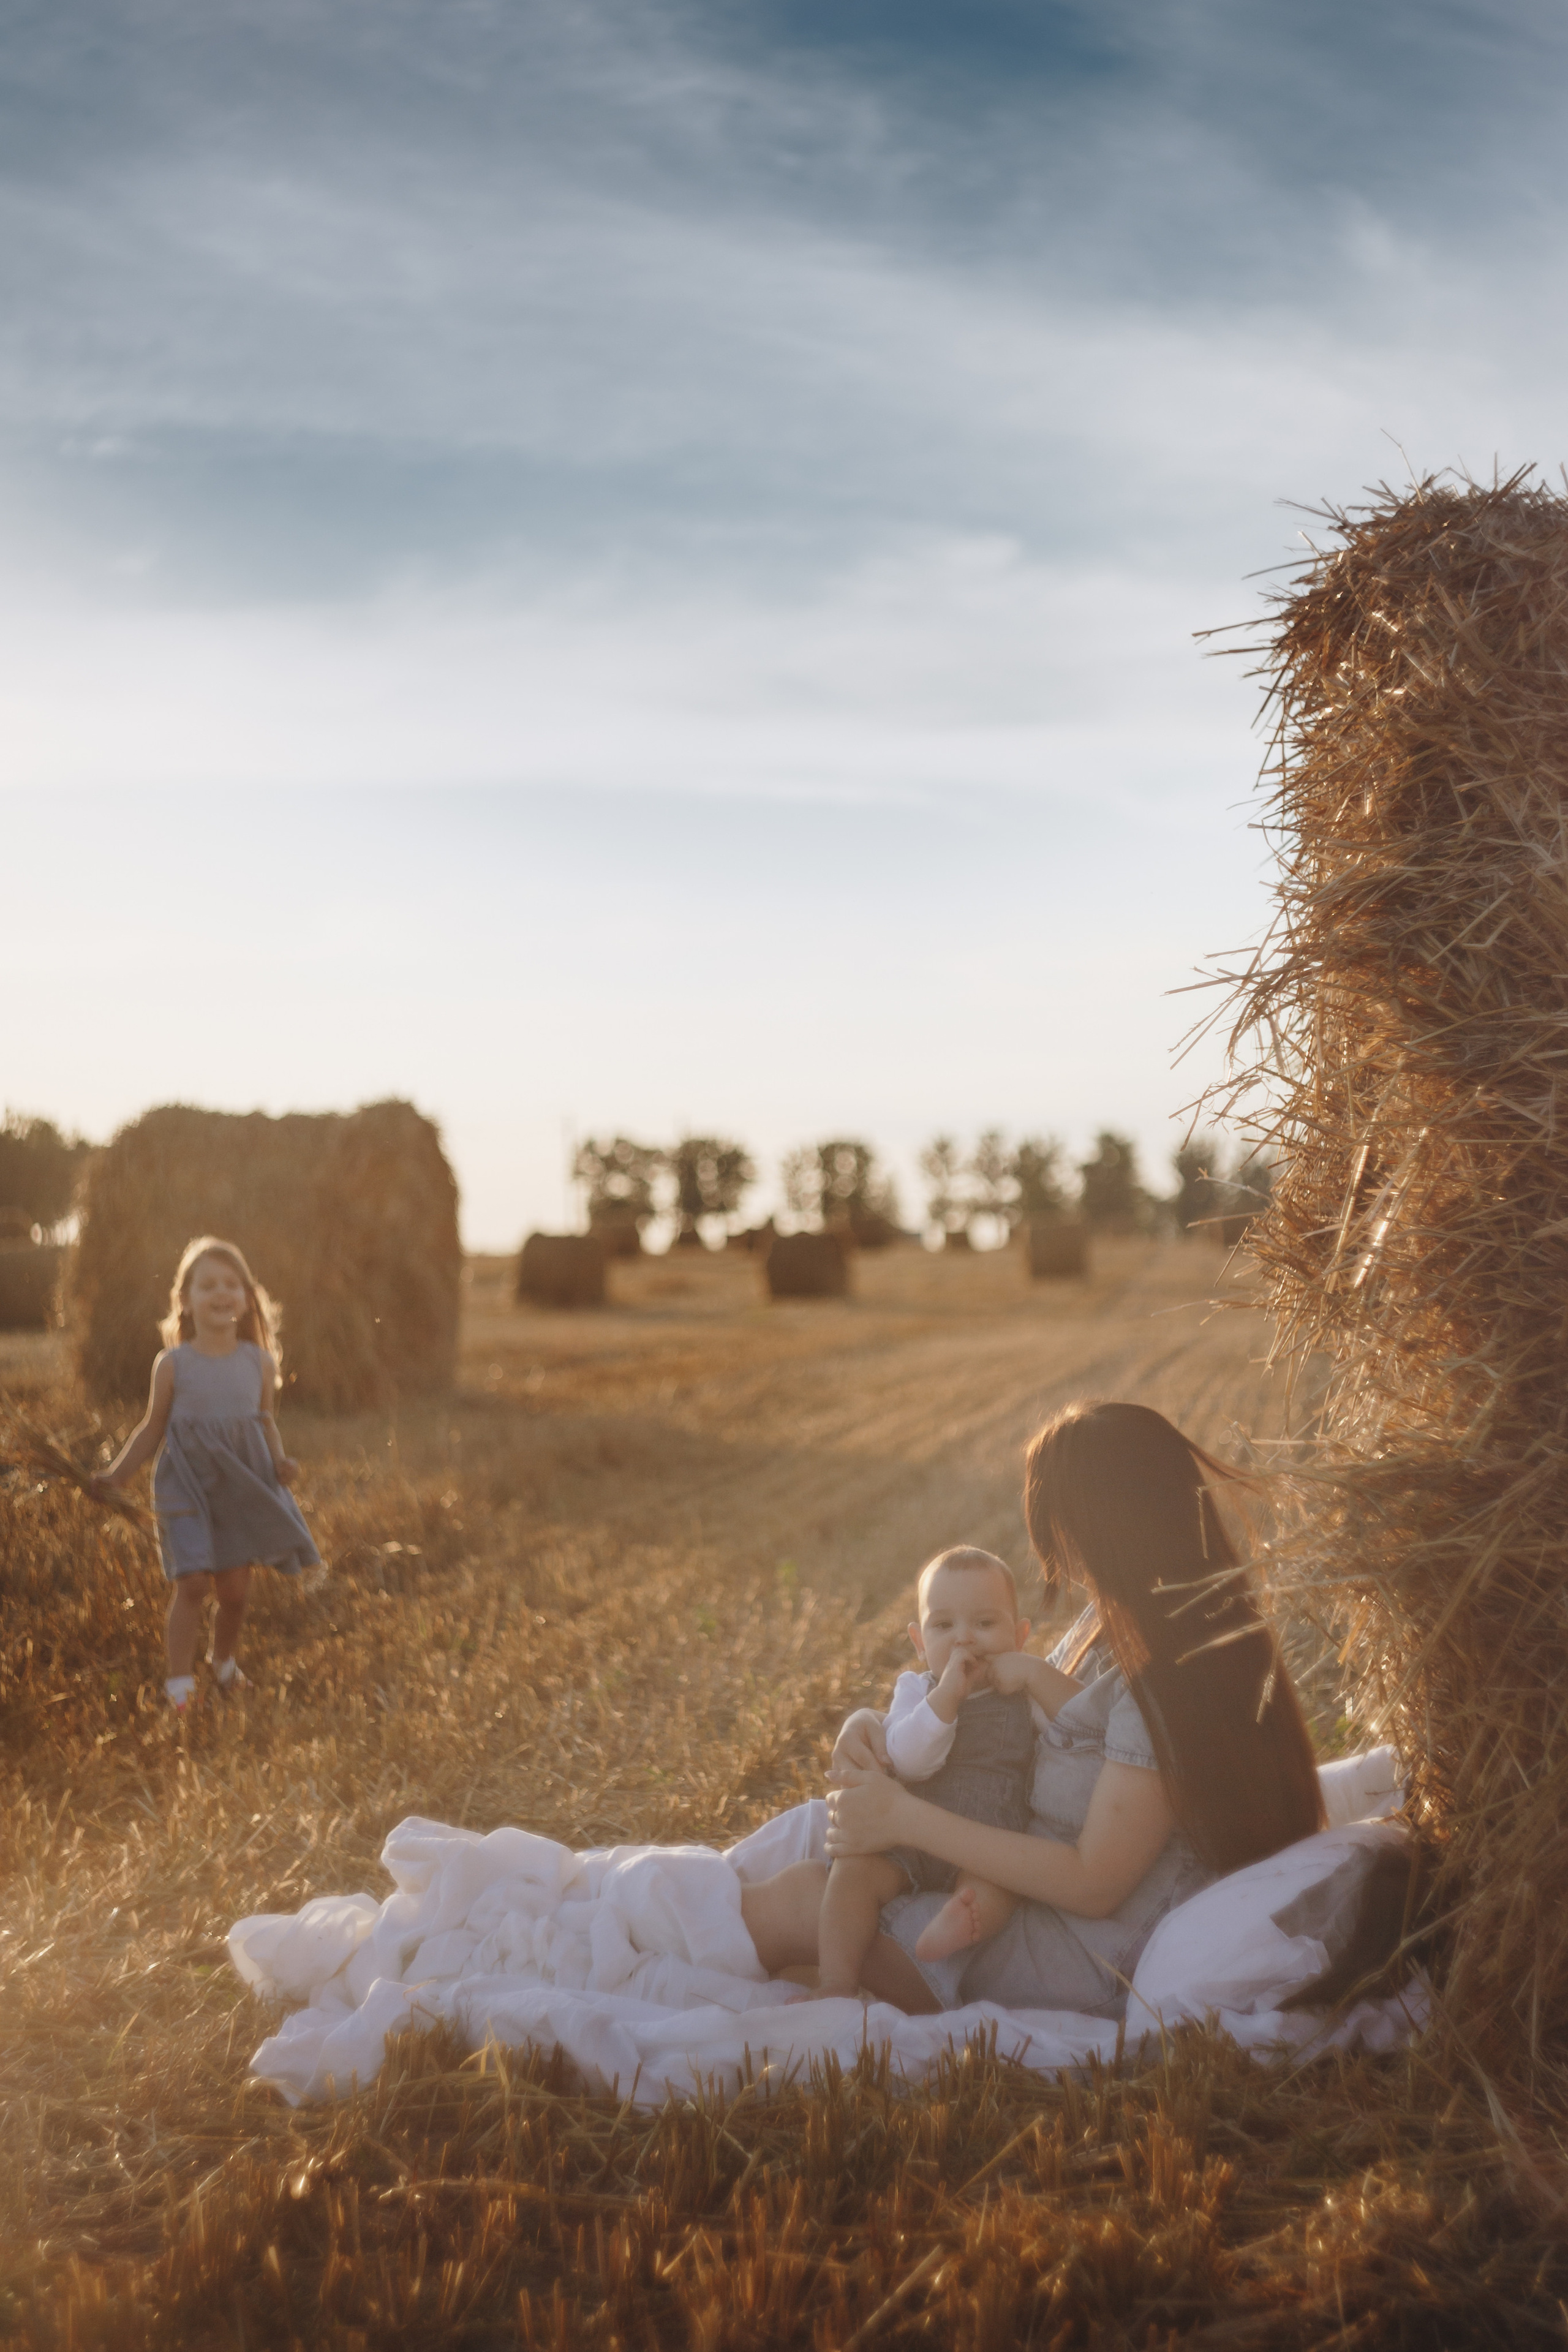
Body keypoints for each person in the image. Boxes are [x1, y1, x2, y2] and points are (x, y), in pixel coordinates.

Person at [741, 1400, 1325, 2015]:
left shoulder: (1175, 1680)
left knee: (803, 1898)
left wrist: (903, 1820)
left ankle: (691, 1963)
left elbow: (1094, 1883)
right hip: (1018, 1885)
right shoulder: (1128, 1621)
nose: (1058, 1556)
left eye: (1059, 1531)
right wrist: (866, 1725)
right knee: (811, 1866)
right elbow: (1001, 1715)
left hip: (1077, 1951)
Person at [94, 1236, 320, 1709]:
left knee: (234, 1592)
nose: (221, 1293)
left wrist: (281, 1462)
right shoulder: (173, 1364)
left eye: (231, 1284)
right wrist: (117, 1475)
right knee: (194, 1583)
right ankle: (180, 1686)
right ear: (185, 1300)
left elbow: (265, 1422)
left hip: (239, 1487)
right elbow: (151, 1428)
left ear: (248, 1298)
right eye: (209, 1285)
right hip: (185, 1485)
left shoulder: (258, 1362)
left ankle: (223, 1663)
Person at [816, 1546, 1036, 1999]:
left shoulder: (1025, 1692)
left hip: (988, 1842)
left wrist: (1043, 1680)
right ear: (919, 1642)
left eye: (985, 1624)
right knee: (853, 1874)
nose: (964, 1640)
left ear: (1020, 1636)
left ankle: (958, 1922)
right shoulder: (915, 1691)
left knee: (997, 1890)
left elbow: (1071, 1730)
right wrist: (947, 1698)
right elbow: (909, 1759)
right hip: (906, 1837)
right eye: (943, 1626)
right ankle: (836, 1983)